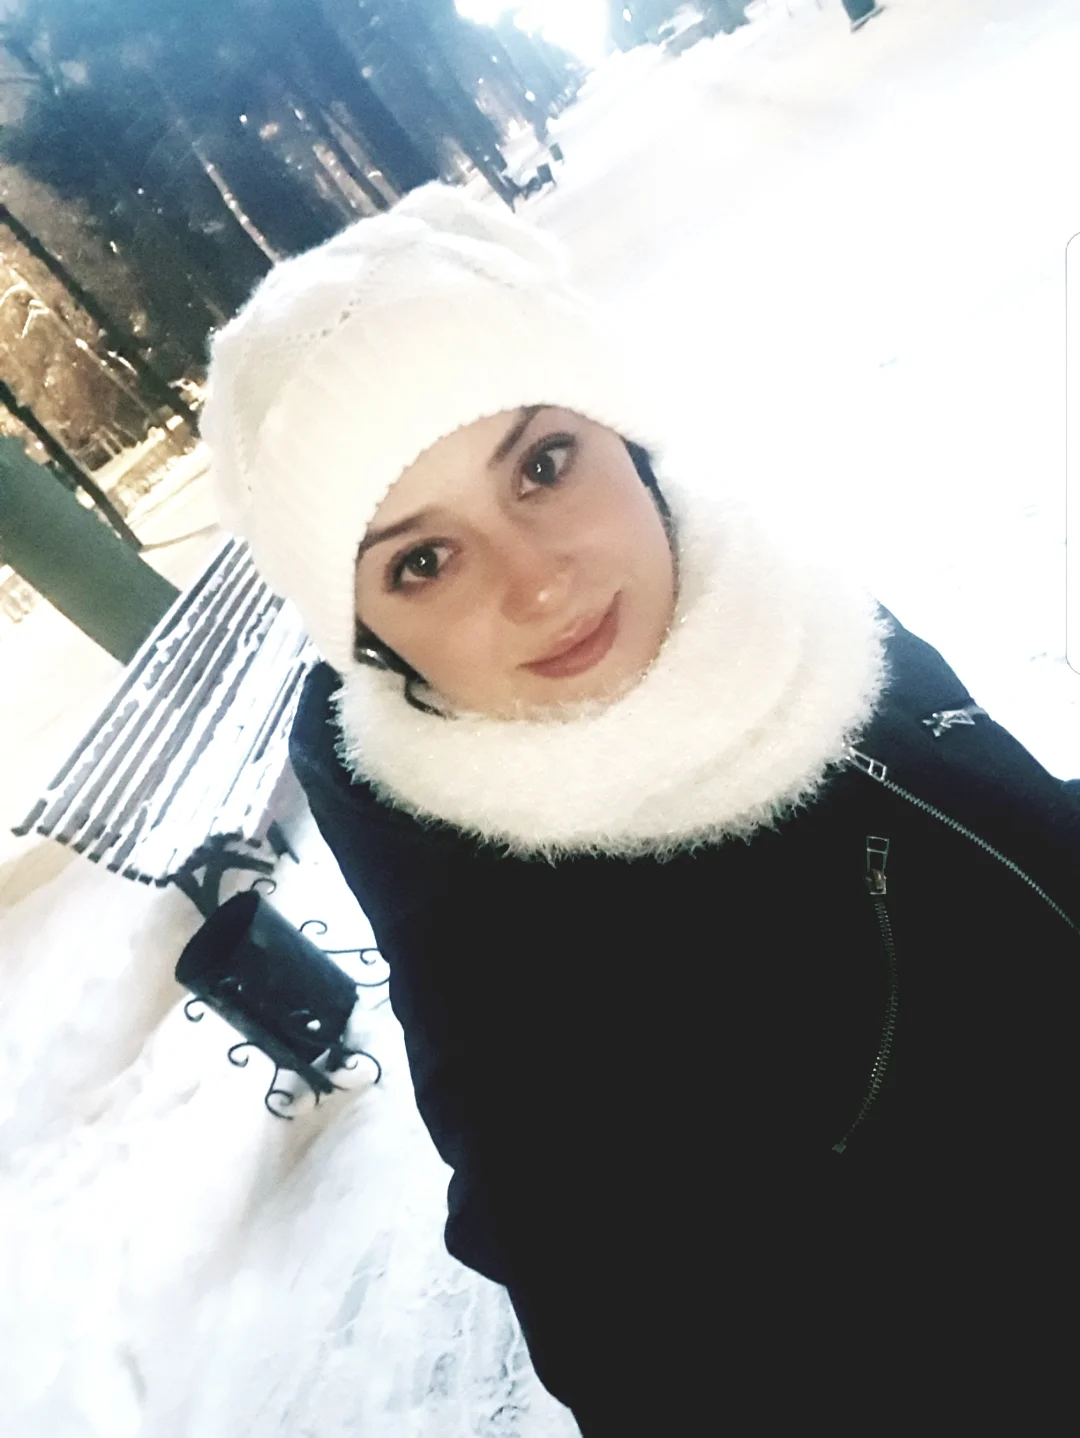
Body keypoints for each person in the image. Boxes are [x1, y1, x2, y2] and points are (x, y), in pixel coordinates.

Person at [201, 184, 1079, 1434]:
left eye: (542, 464)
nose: (539, 582)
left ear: (623, 432)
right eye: (422, 560)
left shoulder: (782, 614)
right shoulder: (525, 1008)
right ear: (373, 640)